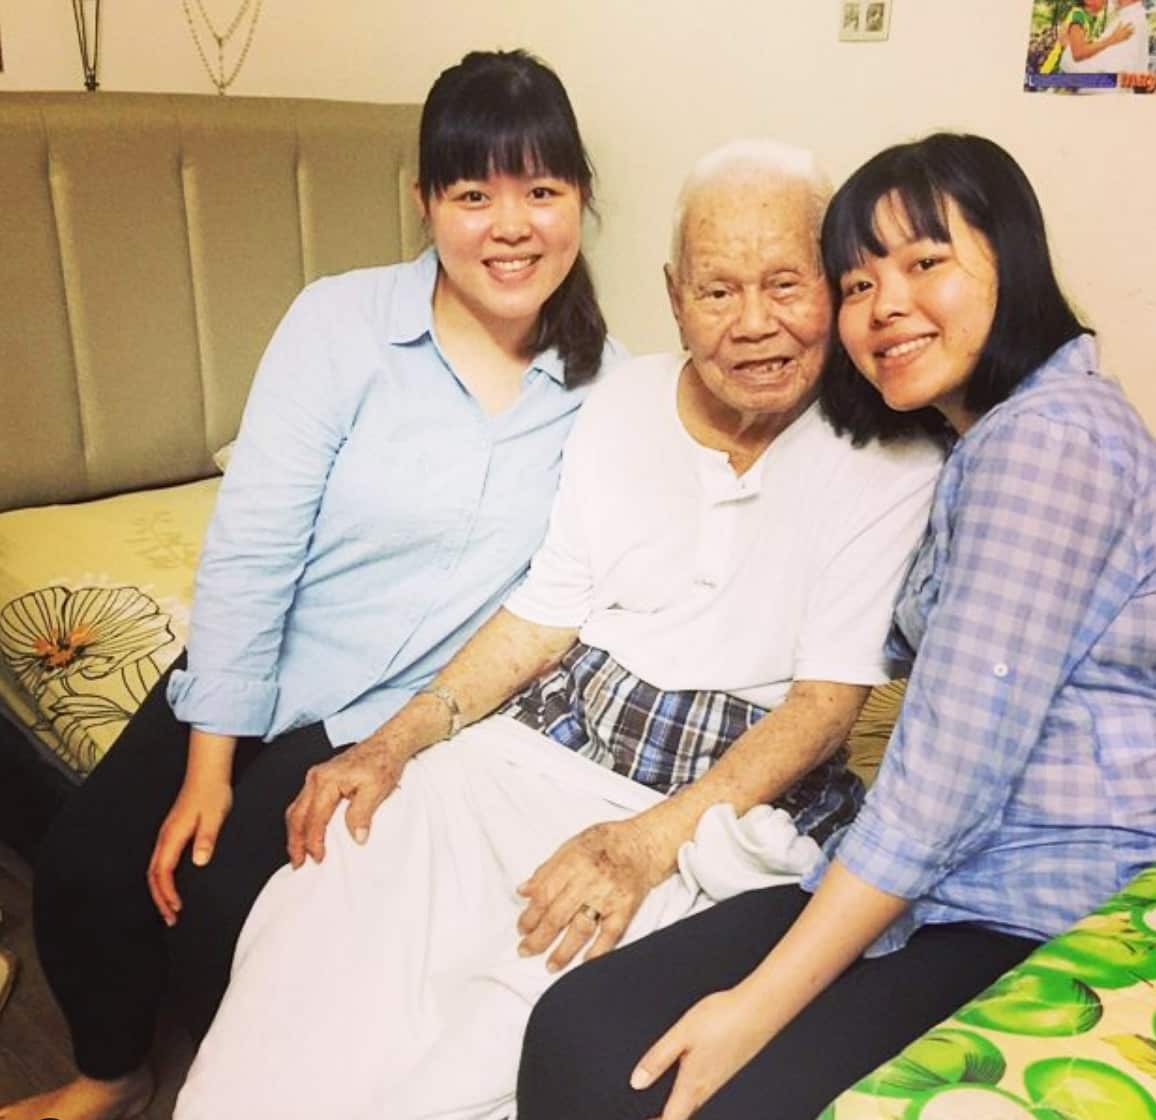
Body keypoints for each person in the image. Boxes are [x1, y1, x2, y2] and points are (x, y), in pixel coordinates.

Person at [172, 139, 942, 1120]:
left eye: (786, 286)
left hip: (708, 805)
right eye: (717, 291)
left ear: (834, 288)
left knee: (510, 1017)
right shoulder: (622, 399)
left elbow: (827, 706)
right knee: (336, 887)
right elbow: (544, 611)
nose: (755, 324)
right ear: (673, 297)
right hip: (543, 740)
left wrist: (645, 842)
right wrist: (395, 739)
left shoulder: (890, 453)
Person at [1, 48, 613, 1120]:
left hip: (395, 715)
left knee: (233, 910)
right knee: (89, 867)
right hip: (269, 663)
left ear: (580, 201)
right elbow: (254, 545)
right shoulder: (340, 324)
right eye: (473, 193)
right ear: (423, 202)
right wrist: (210, 763)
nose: (509, 225)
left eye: (541, 191)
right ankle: (112, 1075)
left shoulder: (606, 389)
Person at [515, 131, 1156, 1120]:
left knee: (640, 1063)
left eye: (924, 262)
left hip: (1031, 897)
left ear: (1012, 257)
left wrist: (753, 1006)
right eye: (856, 283)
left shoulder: (1042, 449)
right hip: (960, 875)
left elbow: (942, 782)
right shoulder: (994, 429)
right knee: (584, 1028)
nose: (885, 305)